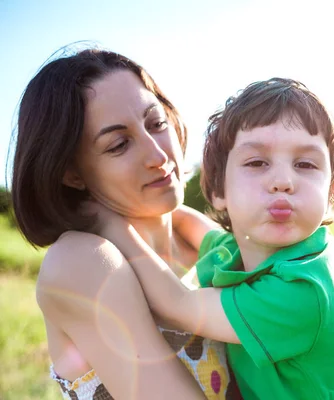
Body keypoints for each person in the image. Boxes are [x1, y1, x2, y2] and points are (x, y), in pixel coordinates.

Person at [93, 78, 334, 399]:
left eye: (305, 164)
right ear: (218, 191)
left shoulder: (307, 288)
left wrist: (109, 223)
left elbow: (178, 304)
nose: (283, 181)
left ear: (332, 191)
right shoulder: (239, 248)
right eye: (257, 162)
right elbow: (192, 229)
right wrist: (139, 197)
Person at [11, 48, 239, 399]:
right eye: (119, 144)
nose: (159, 156)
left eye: (157, 123)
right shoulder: (81, 261)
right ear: (72, 174)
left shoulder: (201, 238)